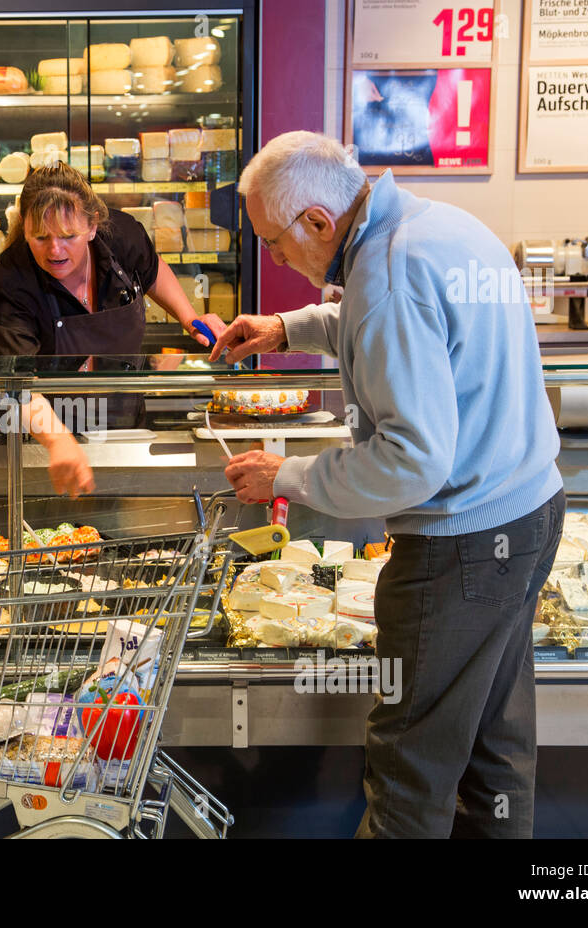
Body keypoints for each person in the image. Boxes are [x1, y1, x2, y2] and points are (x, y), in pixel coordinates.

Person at [211, 131, 564, 838]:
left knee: (411, 773)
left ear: (317, 220)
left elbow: (412, 461)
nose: (276, 260)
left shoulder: (386, 280)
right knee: (494, 751)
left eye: (276, 244)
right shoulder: (431, 225)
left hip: (460, 545)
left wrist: (287, 475)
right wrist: (288, 328)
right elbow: (398, 322)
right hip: (528, 511)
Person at [0, 162, 226, 498]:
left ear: (93, 226)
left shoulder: (121, 234)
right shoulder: (10, 283)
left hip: (121, 421)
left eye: (68, 236)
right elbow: (15, 384)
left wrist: (190, 318)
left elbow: (152, 270)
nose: (54, 250)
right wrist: (60, 442)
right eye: (40, 237)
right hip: (40, 437)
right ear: (24, 228)